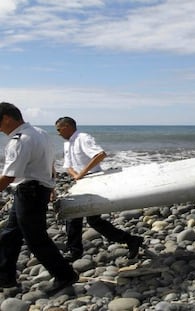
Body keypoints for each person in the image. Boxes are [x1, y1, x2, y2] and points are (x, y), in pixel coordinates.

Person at [0, 102, 78, 295]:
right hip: (34, 190)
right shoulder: (40, 133)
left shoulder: (20, 140)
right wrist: (51, 186)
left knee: (36, 239)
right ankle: (5, 278)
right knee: (10, 234)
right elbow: (50, 162)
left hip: (30, 193)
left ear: (7, 118)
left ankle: (64, 274)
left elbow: (9, 176)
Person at [55, 117, 143, 261]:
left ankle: (75, 252)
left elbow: (100, 155)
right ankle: (130, 240)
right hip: (81, 182)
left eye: (59, 129)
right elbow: (67, 166)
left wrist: (82, 173)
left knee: (86, 218)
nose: (58, 133)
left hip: (93, 179)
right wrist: (76, 175)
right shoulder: (67, 144)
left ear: (67, 126)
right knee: (81, 218)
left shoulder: (82, 138)